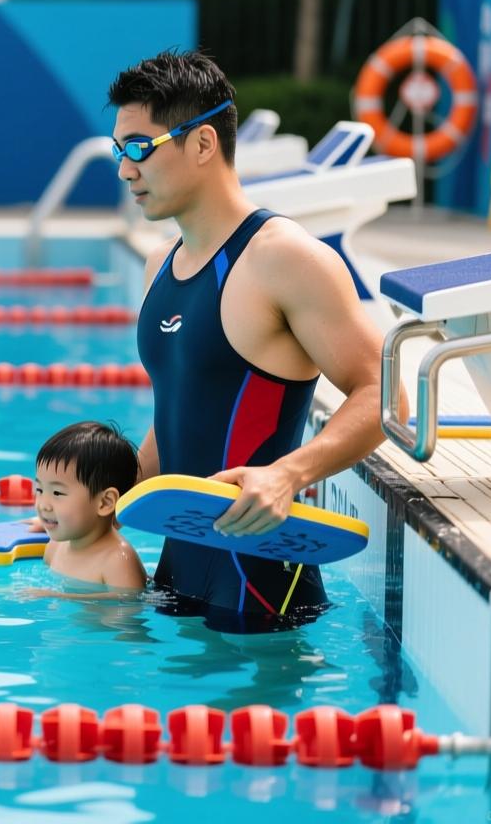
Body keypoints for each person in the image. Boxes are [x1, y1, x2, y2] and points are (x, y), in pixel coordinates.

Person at [108, 50, 397, 621]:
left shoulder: (284, 258)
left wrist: (290, 473)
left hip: (261, 581)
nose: (125, 169)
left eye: (140, 147)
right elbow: (179, 412)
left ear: (202, 144)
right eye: (120, 150)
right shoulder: (159, 266)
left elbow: (385, 398)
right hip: (178, 568)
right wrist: (91, 506)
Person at [34, 421, 147, 590]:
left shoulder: (117, 561)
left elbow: (127, 607)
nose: (43, 505)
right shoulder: (55, 547)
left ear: (105, 502)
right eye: (40, 489)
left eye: (57, 493)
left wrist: (54, 596)